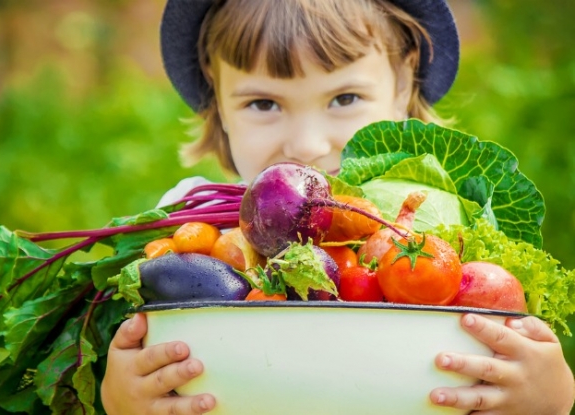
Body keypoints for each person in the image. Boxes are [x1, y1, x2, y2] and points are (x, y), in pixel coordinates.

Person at [101, 0, 575, 414]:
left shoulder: (448, 231)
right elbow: (142, 356)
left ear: (404, 81)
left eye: (344, 98)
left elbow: (503, 347)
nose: (306, 145)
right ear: (217, 96)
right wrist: (124, 397)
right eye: (263, 103)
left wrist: (550, 398)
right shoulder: (187, 221)